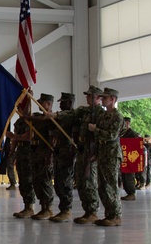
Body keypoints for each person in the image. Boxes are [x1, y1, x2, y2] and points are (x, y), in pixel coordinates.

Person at [89, 87, 123, 226]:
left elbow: (112, 135)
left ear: (113, 99)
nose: (102, 99)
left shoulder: (117, 116)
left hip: (112, 154)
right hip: (103, 153)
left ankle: (116, 216)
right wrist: (96, 153)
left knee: (111, 185)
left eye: (105, 97)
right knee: (102, 186)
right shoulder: (103, 116)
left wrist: (95, 129)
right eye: (102, 97)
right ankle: (109, 214)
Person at [73, 86, 103, 224]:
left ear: (97, 98)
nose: (87, 97)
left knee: (89, 180)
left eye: (90, 96)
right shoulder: (85, 112)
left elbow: (103, 135)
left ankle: (92, 211)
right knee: (80, 181)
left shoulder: (101, 114)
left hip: (91, 150)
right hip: (82, 148)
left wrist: (97, 152)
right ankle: (87, 210)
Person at [48, 92, 77, 222]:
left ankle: (67, 210)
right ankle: (62, 209)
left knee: (65, 182)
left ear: (70, 102)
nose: (60, 104)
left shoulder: (73, 116)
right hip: (59, 152)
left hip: (68, 153)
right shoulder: (60, 118)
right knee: (58, 183)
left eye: (63, 102)